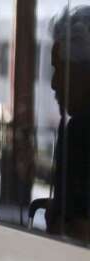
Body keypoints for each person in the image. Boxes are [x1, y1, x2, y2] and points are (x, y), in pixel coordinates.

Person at [47, 6, 90, 242]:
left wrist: (57, 217)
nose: (54, 83)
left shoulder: (80, 133)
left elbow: (79, 234)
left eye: (58, 69)